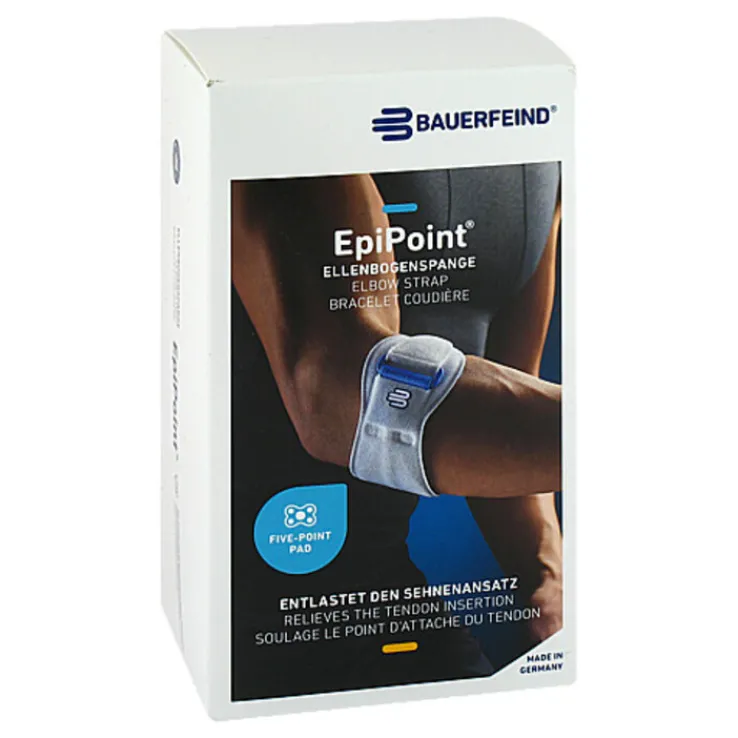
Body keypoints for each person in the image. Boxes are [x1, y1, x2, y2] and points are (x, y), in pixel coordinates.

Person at [230, 166, 562, 699]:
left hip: (381, 590)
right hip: (252, 616)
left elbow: (511, 406)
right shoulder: (316, 129)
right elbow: (341, 395)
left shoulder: (544, 153)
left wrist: (547, 575)